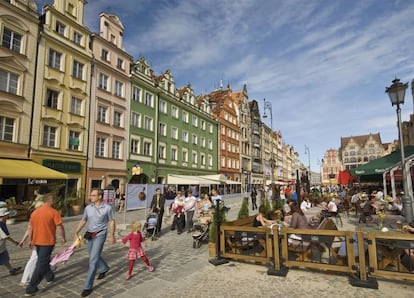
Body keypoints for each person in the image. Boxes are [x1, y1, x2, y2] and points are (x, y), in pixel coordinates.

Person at [74, 188, 116, 297]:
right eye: (91, 195)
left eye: (93, 195)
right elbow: (84, 220)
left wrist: (112, 235)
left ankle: (87, 286)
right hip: (89, 234)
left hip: (100, 234)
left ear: (100, 196)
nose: (90, 197)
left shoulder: (107, 208)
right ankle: (104, 268)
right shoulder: (88, 208)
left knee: (92, 260)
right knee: (93, 255)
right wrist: (76, 231)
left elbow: (111, 221)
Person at [24, 193, 66, 297]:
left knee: (44, 260)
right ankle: (31, 288)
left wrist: (30, 240)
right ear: (51, 201)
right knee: (41, 264)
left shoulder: (35, 212)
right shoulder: (53, 212)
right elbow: (59, 227)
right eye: (54, 200)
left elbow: (30, 228)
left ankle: (49, 276)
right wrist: (63, 237)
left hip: (37, 241)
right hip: (47, 242)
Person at [19, 197, 45, 286]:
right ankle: (25, 279)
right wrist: (29, 240)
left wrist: (23, 240)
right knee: (34, 259)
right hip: (37, 241)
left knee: (41, 258)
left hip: (42, 240)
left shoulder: (38, 214)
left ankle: (47, 272)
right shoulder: (35, 215)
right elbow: (30, 229)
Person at [0, 208, 21, 276]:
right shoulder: (1, 224)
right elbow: (6, 236)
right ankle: (11, 270)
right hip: (0, 246)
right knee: (4, 257)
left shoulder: (2, 223)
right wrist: (15, 242)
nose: (8, 215)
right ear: (3, 216)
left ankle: (11, 270)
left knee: (5, 258)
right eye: (7, 215)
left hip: (2, 246)